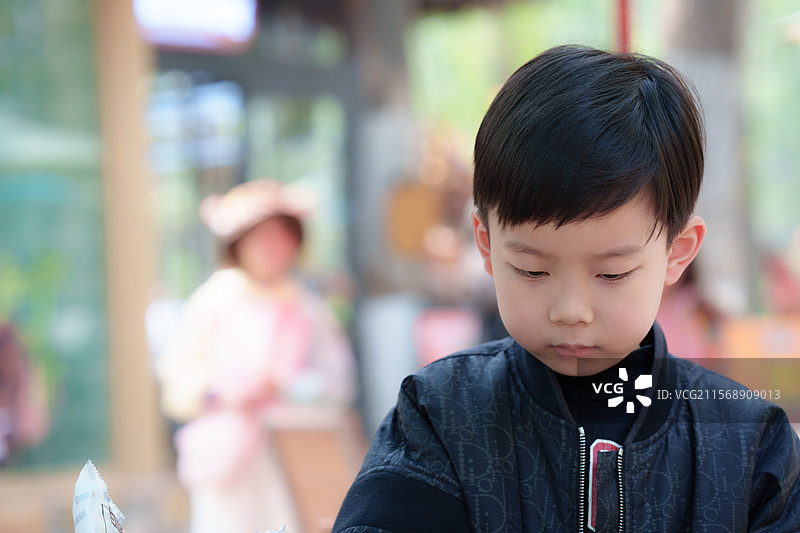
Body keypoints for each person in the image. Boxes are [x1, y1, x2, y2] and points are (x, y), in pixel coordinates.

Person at [332, 45, 800, 532]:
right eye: (532, 270)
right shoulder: (442, 416)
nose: (571, 310)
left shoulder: (748, 441)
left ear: (677, 252)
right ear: (487, 245)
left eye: (611, 274)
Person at [155, 179, 356, 533]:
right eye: (260, 237)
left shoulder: (308, 307)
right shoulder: (214, 300)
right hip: (226, 463)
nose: (271, 247)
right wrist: (224, 391)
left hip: (294, 457)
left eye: (280, 236)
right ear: (238, 243)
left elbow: (339, 382)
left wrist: (288, 386)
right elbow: (178, 377)